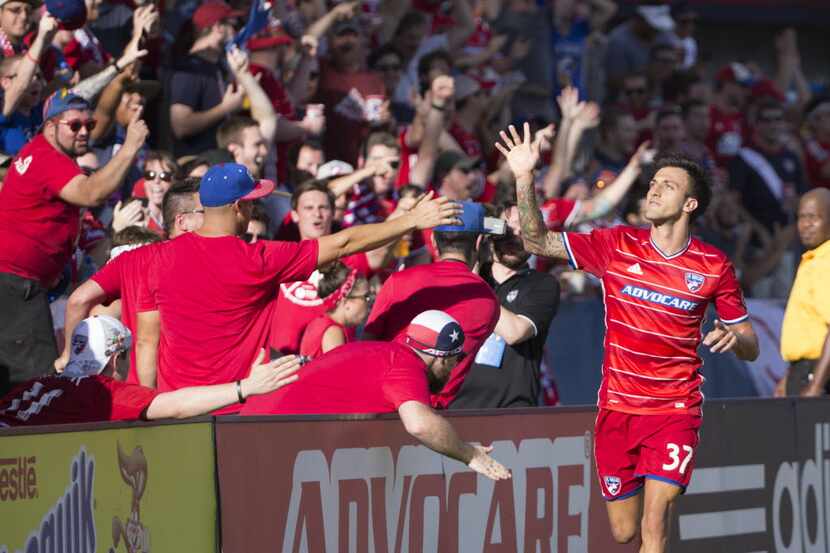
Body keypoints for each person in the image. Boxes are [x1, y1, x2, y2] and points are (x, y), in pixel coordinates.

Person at [498, 123, 759, 552]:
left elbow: (750, 344)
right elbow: (536, 241)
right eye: (653, 183)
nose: (654, 191)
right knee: (625, 532)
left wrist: (736, 340)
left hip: (675, 410)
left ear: (690, 204)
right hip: (617, 410)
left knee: (654, 527)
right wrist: (525, 177)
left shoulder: (713, 266)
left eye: (668, 186)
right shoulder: (615, 244)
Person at [139, 163, 459, 411]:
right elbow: (344, 242)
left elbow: (136, 334)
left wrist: (151, 406)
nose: (254, 210)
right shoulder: (259, 259)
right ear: (238, 207)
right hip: (234, 411)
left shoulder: (151, 258)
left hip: (175, 409)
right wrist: (410, 221)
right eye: (251, 203)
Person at [242, 309, 510, 482]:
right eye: (454, 360)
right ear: (438, 357)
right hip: (263, 437)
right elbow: (420, 424)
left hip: (251, 428)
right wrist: (469, 454)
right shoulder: (405, 365)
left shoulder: (383, 353)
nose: (454, 369)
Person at [0, 89, 147, 394]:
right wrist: (130, 147)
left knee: (18, 383)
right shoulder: (46, 158)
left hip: (20, 283)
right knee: (32, 385)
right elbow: (92, 193)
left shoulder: (45, 153)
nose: (84, 132)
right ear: (51, 126)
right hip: (15, 284)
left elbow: (103, 117)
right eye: (75, 125)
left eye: (88, 126)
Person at [0, 315, 302, 427]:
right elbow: (177, 406)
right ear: (116, 358)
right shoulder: (101, 390)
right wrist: (244, 388)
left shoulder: (32, 385)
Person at [55, 178, 204, 384]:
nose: (217, 217)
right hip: (182, 391)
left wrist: (69, 356)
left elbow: (78, 301)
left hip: (135, 392)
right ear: (182, 221)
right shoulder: (203, 261)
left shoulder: (133, 258)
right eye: (207, 213)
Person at [363, 201, 501, 409]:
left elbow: (368, 344)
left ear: (435, 243)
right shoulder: (488, 300)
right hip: (433, 416)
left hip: (381, 404)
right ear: (478, 242)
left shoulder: (397, 281)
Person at [452, 221, 560, 408]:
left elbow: (515, 332)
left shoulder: (542, 284)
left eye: (523, 230)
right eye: (507, 230)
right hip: (456, 405)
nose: (514, 237)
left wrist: (474, 285)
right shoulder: (464, 277)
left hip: (512, 409)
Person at [779, 189, 830, 396]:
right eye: (801, 217)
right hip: (802, 371)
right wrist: (789, 377)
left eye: (813, 217)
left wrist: (816, 384)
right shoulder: (812, 259)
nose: (805, 224)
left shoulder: (826, 262)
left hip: (819, 373)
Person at [299, 262, 371, 358]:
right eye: (366, 297)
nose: (369, 302)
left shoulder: (323, 322)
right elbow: (339, 372)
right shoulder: (333, 333)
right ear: (346, 302)